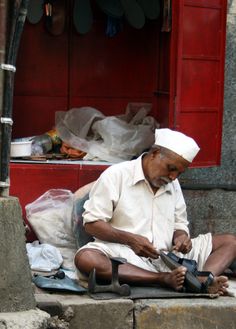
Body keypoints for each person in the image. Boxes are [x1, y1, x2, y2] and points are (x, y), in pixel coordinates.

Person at [74, 128, 236, 295]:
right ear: (155, 153)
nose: (173, 177)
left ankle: (202, 280)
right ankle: (161, 279)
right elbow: (92, 225)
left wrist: (181, 237)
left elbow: (180, 223)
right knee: (86, 258)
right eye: (170, 168)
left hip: (169, 256)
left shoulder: (172, 183)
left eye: (179, 173)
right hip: (128, 256)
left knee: (230, 242)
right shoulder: (117, 175)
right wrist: (130, 240)